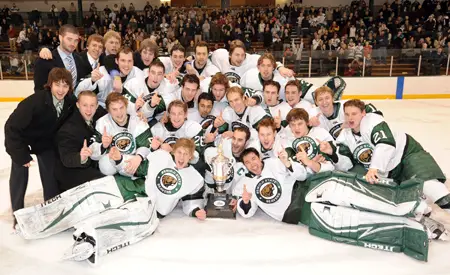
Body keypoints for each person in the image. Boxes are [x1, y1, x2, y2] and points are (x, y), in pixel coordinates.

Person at [341, 99, 450, 211]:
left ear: (363, 113)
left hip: (407, 154)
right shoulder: (346, 135)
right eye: (347, 114)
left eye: (354, 114)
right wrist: (330, 152)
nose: (350, 118)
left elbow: (386, 143)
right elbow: (343, 161)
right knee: (407, 205)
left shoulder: (372, 121)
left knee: (430, 186)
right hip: (390, 170)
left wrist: (374, 168)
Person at [5, 68, 77, 217]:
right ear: (50, 84)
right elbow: (12, 127)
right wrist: (20, 154)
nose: (61, 90)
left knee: (50, 172)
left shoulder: (70, 102)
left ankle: (51, 208)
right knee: (19, 169)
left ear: (70, 87)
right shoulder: (34, 102)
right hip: (23, 140)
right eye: (57, 84)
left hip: (44, 142)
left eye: (65, 85)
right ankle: (17, 213)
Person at [54, 90, 107, 191]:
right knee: (103, 181)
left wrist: (137, 117)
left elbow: (116, 116)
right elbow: (66, 158)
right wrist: (81, 157)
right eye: (85, 105)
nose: (89, 110)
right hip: (72, 171)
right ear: (78, 105)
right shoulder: (68, 129)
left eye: (92, 105)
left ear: (97, 106)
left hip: (93, 164)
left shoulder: (100, 114)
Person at [33, 25, 87, 92]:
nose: (73, 43)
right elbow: (39, 90)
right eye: (69, 39)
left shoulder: (80, 59)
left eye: (76, 40)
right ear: (60, 38)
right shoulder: (44, 60)